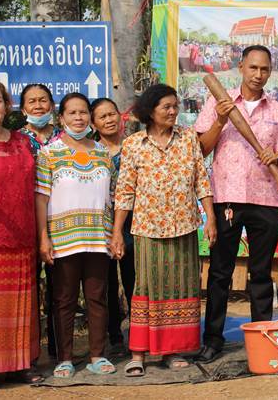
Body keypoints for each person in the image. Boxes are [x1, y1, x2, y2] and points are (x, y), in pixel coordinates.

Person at [194, 44, 278, 364]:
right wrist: (221, 121)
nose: (258, 75)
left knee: (261, 273)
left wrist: (275, 156)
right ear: (240, 67)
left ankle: (263, 337)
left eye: (264, 69)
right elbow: (202, 149)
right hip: (226, 197)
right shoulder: (217, 102)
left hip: (265, 199)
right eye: (253, 68)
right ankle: (213, 340)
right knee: (220, 273)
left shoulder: (276, 110)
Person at [113, 84, 216, 376]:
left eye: (175, 106)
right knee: (146, 288)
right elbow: (125, 191)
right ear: (150, 111)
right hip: (147, 229)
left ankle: (172, 351)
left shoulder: (187, 139)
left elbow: (202, 181)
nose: (173, 112)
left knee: (179, 288)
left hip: (184, 227)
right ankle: (139, 353)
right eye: (166, 107)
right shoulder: (134, 143)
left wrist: (210, 218)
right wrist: (118, 232)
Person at [35, 93, 117, 378]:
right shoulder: (48, 153)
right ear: (62, 118)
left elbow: (112, 195)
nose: (79, 118)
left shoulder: (102, 153)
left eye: (83, 112)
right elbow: (41, 199)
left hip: (98, 238)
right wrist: (43, 238)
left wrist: (114, 234)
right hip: (63, 239)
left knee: (97, 297)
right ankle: (65, 358)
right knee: (64, 299)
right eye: (72, 113)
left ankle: (97, 355)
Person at [0, 81, 41, 392]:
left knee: (22, 305)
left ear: (8, 105)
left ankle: (22, 363)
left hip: (23, 237)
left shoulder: (25, 143)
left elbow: (38, 190)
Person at [91, 98, 136, 357]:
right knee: (105, 281)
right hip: (100, 222)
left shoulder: (133, 147)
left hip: (132, 223)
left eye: (112, 114)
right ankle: (114, 337)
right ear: (94, 123)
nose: (108, 120)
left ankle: (137, 335)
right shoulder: (92, 150)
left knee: (134, 279)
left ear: (120, 117)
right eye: (102, 117)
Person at [19, 83, 60, 359]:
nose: (38, 106)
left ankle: (60, 350)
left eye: (43, 100)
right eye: (31, 102)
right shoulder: (17, 140)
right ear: (23, 109)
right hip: (25, 221)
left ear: (52, 106)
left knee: (60, 287)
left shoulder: (65, 137)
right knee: (29, 289)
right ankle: (30, 353)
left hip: (61, 220)